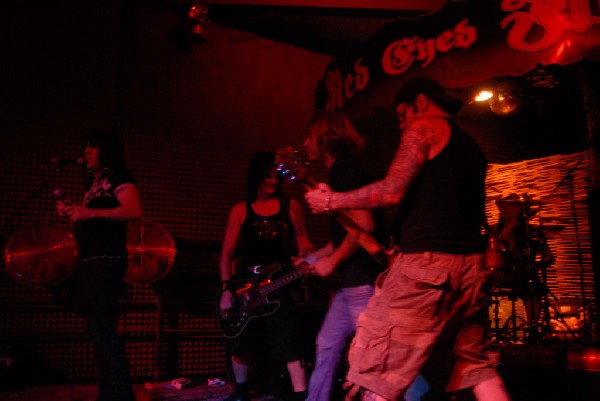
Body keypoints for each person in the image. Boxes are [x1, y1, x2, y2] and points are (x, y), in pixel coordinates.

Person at [305, 77, 511, 401]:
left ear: (420, 102)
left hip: (426, 270)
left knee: (377, 372)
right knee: (476, 368)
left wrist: (331, 201)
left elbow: (392, 191)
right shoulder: (471, 146)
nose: (403, 125)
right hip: (471, 271)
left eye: (402, 115)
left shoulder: (424, 127)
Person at [293, 111, 388, 401]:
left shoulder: (345, 171)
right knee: (326, 345)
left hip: (363, 282)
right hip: (351, 284)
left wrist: (332, 262)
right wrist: (312, 259)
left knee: (374, 361)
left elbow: (366, 225)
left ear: (324, 138)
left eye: (309, 136)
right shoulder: (339, 173)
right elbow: (346, 235)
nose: (305, 142)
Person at [219, 151, 314, 401]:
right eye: (268, 176)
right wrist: (226, 290)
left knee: (291, 341)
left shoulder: (291, 207)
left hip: (279, 284)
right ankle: (240, 393)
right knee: (239, 342)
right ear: (256, 176)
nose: (273, 181)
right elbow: (226, 254)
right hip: (245, 286)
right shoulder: (240, 210)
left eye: (276, 176)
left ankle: (300, 395)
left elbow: (304, 240)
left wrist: (307, 254)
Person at [56, 129, 142, 401]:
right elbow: (86, 227)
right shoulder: (92, 185)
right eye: (86, 147)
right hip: (90, 262)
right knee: (96, 332)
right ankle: (108, 392)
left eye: (93, 147)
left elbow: (133, 211)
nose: (86, 152)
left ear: (106, 150)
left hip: (108, 262)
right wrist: (72, 212)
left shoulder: (119, 177)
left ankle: (121, 394)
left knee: (104, 329)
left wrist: (88, 211)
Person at [492, 191, 554, 327]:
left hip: (525, 274)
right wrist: (509, 227)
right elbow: (496, 246)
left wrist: (540, 263)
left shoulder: (531, 231)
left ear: (519, 208)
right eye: (501, 206)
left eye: (509, 206)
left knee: (531, 281)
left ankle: (533, 327)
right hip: (501, 273)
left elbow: (548, 256)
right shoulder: (494, 230)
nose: (504, 210)